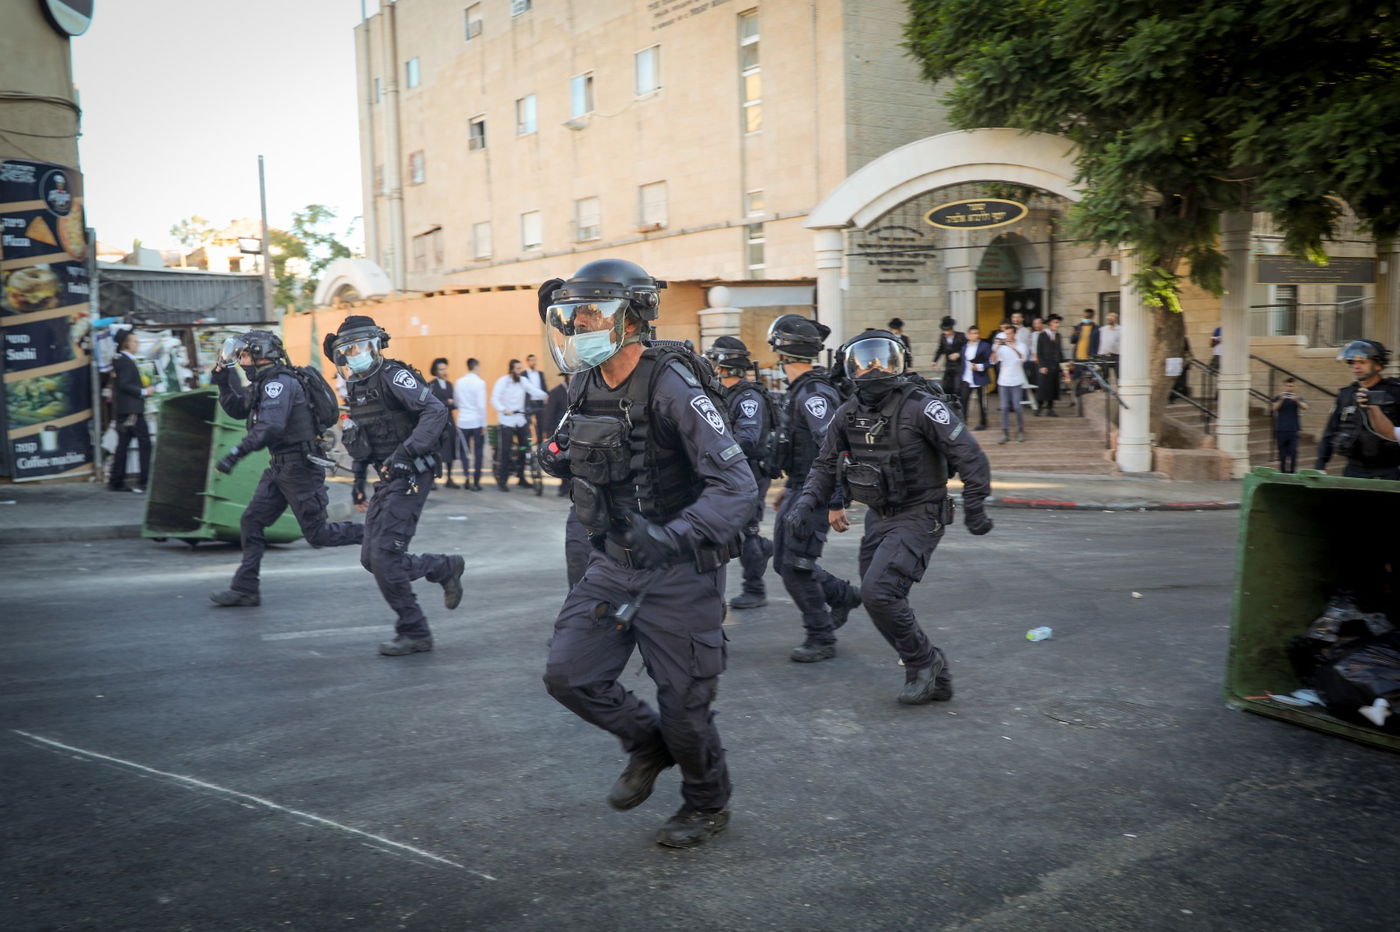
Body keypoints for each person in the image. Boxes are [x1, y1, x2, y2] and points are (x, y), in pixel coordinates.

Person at [536, 258, 756, 848]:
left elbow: (737, 486)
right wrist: (557, 453)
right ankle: (647, 743)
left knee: (685, 705)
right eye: (572, 316)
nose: (577, 326)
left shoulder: (673, 387)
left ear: (631, 320)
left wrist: (674, 536)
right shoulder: (585, 381)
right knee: (569, 674)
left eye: (590, 314)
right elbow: (576, 441)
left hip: (680, 568)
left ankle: (707, 804)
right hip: (613, 562)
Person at [787, 330, 993, 704]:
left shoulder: (921, 406)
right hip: (879, 514)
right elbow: (825, 463)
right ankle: (934, 675)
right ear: (850, 368)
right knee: (876, 597)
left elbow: (969, 454)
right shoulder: (848, 412)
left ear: (899, 361)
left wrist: (976, 505)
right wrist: (807, 503)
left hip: (921, 512)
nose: (874, 368)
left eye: (882, 359)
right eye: (865, 361)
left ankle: (924, 663)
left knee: (879, 592)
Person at [326, 316, 466, 655]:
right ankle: (442, 567)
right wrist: (358, 481)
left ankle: (415, 631)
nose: (353, 354)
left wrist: (407, 452)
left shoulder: (393, 376)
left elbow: (435, 411)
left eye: (358, 346)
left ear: (375, 345)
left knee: (386, 556)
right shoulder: (357, 387)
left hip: (413, 472)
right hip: (388, 475)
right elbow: (361, 438)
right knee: (371, 559)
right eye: (347, 350)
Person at [207, 330, 364, 608]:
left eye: (244, 355)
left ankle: (376, 533)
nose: (240, 361)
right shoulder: (264, 383)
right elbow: (237, 408)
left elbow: (271, 426)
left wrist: (235, 454)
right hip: (280, 467)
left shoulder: (279, 384)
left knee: (318, 535)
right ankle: (245, 589)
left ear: (260, 354)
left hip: (300, 469)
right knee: (252, 521)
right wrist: (222, 380)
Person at [767, 313, 862, 662]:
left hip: (817, 494)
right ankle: (842, 595)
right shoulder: (803, 390)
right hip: (800, 489)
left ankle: (821, 636)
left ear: (783, 352)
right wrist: (789, 488)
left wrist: (836, 501)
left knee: (797, 566)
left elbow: (833, 449)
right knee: (784, 563)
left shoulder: (814, 394)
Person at [705, 335, 773, 610]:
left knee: (746, 531)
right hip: (733, 472)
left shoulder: (748, 397)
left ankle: (755, 589)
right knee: (737, 530)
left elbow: (747, 438)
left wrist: (715, 451)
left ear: (725, 366)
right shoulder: (724, 394)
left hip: (751, 472)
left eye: (715, 363)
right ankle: (763, 548)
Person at [1314, 340, 1400, 479]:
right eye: (1353, 362)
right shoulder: (1346, 394)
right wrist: (1320, 464)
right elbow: (1330, 431)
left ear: (1378, 365)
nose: (1356, 366)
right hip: (1354, 470)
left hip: (1389, 470)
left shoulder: (1395, 392)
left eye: (1362, 362)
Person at [491, 359, 548, 491]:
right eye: (517, 368)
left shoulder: (523, 381)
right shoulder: (503, 381)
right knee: (505, 451)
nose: (519, 371)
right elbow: (494, 398)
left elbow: (533, 390)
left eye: (520, 368)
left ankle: (521, 477)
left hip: (520, 419)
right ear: (511, 369)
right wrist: (503, 409)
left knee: (524, 448)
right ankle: (503, 480)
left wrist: (544, 395)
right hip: (507, 420)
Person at [108, 329, 152, 494]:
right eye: (134, 341)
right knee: (145, 443)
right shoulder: (125, 361)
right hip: (132, 411)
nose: (137, 344)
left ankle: (116, 481)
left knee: (123, 444)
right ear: (126, 344)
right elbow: (124, 384)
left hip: (127, 410)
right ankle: (144, 481)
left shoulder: (121, 360)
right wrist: (143, 392)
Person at [453, 358, 488, 491]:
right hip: (477, 422)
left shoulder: (459, 382)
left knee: (464, 452)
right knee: (478, 453)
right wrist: (484, 424)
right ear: (476, 367)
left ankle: (467, 477)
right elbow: (481, 405)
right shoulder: (480, 383)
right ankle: (476, 481)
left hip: (463, 422)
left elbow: (456, 402)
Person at [991, 327, 1027, 443]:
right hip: (1004, 380)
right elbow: (992, 360)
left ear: (1014, 334)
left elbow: (1023, 358)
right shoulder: (1002, 347)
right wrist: (997, 347)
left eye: (1009, 334)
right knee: (1004, 407)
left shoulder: (1021, 345)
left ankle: (1020, 430)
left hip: (1017, 379)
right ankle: (1005, 432)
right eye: (1006, 334)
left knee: (1017, 407)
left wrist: (1013, 347)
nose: (1007, 336)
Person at [428, 358, 459, 487]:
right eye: (441, 369)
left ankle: (449, 478)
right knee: (436, 450)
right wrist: (447, 402)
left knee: (450, 449)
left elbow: (454, 403)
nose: (444, 371)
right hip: (438, 422)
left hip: (449, 421)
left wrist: (450, 403)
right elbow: (432, 403)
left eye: (445, 368)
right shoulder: (431, 385)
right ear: (435, 371)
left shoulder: (449, 384)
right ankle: (433, 479)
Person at [541, 372, 573, 497]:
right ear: (567, 376)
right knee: (563, 459)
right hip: (561, 432)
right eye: (572, 375)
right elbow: (549, 414)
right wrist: (548, 433)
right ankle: (564, 486)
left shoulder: (578, 390)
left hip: (575, 430)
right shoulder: (556, 392)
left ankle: (570, 486)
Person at [957, 325, 992, 430]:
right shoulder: (964, 347)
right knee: (964, 400)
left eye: (977, 333)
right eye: (972, 333)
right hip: (966, 378)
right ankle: (963, 421)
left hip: (979, 377)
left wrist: (979, 366)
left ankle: (983, 422)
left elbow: (990, 362)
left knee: (982, 402)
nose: (975, 335)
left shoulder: (985, 346)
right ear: (968, 335)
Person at [1271, 378, 1308, 474]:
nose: (1289, 388)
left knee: (1294, 452)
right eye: (1287, 386)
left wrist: (1297, 401)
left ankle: (1292, 471)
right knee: (1282, 453)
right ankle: (1282, 471)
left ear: (1295, 387)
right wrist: (1281, 399)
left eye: (1291, 386)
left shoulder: (1298, 398)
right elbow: (1274, 408)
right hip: (1281, 429)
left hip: (1293, 429)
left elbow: (1305, 407)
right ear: (1284, 386)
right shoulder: (1278, 397)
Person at [1035, 315, 1064, 416]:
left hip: (1054, 365)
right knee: (1043, 387)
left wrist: (1064, 364)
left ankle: (1050, 409)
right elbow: (1039, 352)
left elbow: (1060, 352)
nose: (1057, 324)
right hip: (1044, 366)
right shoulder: (1042, 335)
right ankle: (1039, 407)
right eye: (1055, 322)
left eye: (1058, 323)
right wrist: (1042, 366)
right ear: (1050, 323)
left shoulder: (1058, 336)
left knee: (1053, 387)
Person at [932, 316, 966, 396]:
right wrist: (935, 360)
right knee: (946, 387)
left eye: (947, 331)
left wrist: (958, 354)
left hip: (959, 365)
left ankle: (959, 405)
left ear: (951, 329)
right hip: (949, 365)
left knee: (957, 387)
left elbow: (967, 348)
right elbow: (940, 349)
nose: (946, 333)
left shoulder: (961, 336)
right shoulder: (942, 337)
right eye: (944, 331)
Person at [523, 353, 549, 443]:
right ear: (527, 362)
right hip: (529, 403)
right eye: (531, 360)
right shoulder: (523, 374)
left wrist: (546, 396)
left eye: (534, 360)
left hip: (540, 402)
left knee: (540, 426)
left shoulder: (540, 374)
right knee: (528, 425)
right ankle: (528, 445)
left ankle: (540, 445)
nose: (533, 362)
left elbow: (544, 387)